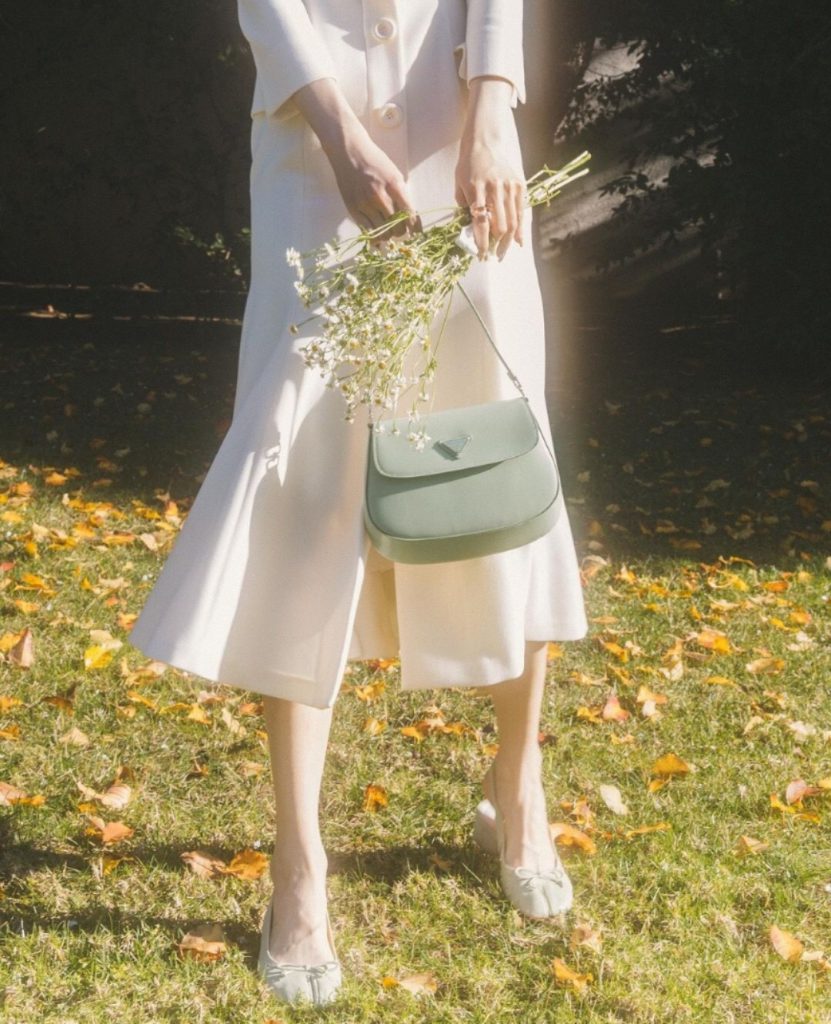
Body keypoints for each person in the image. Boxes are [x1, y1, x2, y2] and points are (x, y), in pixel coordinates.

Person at [128, 0, 590, 1007]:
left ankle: (516, 789)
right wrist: (336, 131)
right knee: (299, 490)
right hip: (313, 146)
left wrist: (493, 105)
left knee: (500, 452)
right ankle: (299, 863)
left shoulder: (483, 117)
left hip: (460, 123)